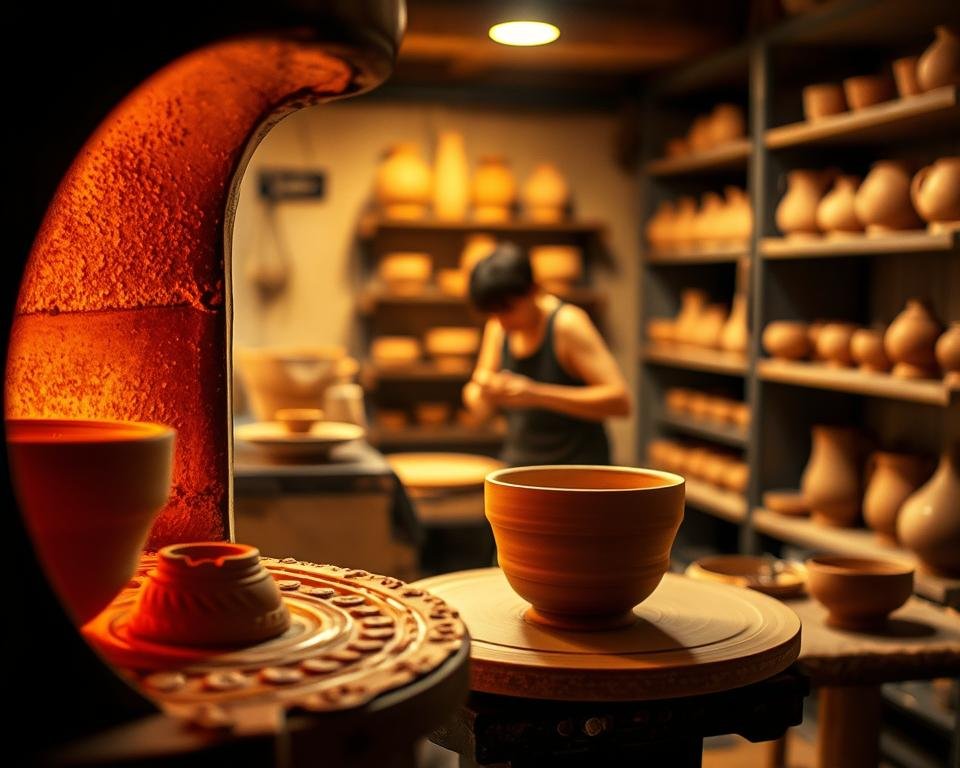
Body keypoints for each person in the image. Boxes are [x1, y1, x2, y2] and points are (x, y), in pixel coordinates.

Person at [462, 242, 630, 466]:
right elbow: (480, 404)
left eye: (507, 309)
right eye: (493, 312)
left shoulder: (567, 325)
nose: (501, 320)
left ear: (534, 290)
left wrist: (536, 394)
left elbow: (620, 402)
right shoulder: (498, 326)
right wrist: (481, 392)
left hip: (576, 470)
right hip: (521, 466)